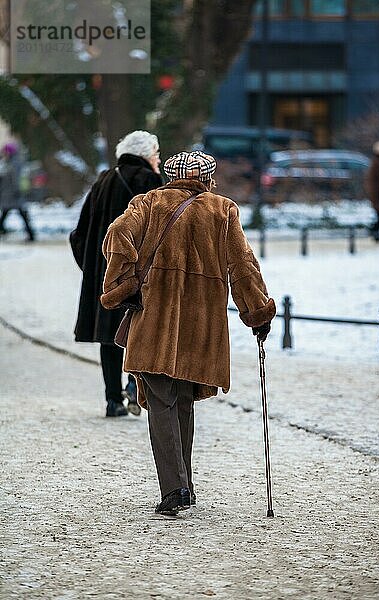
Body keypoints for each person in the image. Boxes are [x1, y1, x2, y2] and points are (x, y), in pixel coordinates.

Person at [100, 151, 276, 515]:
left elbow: (117, 234)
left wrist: (123, 284)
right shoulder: (222, 210)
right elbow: (243, 266)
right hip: (200, 328)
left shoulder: (148, 203)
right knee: (180, 402)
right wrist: (257, 313)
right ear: (209, 179)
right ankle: (185, 485)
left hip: (153, 322)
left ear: (169, 175)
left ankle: (174, 489)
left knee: (161, 403)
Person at [70, 130, 162, 417]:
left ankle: (113, 400)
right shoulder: (150, 181)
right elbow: (155, 231)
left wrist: (92, 268)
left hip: (103, 273)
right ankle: (134, 385)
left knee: (108, 335)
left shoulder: (102, 180)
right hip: (137, 274)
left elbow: (79, 233)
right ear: (147, 155)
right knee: (138, 331)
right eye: (156, 154)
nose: (158, 159)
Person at [0, 142, 35, 241]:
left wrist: (17, 190)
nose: (4, 154)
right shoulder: (9, 162)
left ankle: (31, 235)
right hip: (9, 194)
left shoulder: (14, 163)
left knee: (20, 214)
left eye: (5, 152)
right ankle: (31, 235)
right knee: (8, 214)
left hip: (14, 194)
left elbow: (16, 178)